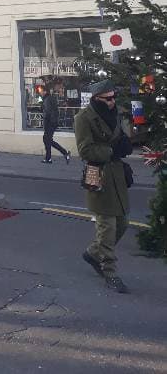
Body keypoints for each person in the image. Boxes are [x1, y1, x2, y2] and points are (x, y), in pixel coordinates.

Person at [74, 79, 133, 293]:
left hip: (117, 175)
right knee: (107, 227)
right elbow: (85, 150)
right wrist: (111, 151)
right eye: (108, 98)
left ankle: (92, 253)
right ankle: (110, 272)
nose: (112, 101)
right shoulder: (84, 117)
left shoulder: (117, 113)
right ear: (96, 98)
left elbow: (122, 136)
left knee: (123, 223)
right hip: (99, 175)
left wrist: (126, 143)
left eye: (114, 97)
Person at [39, 82, 70, 164]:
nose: (40, 92)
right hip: (52, 122)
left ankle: (62, 154)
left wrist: (46, 123)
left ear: (45, 91)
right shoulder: (48, 98)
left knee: (47, 139)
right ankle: (50, 157)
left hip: (50, 123)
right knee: (47, 140)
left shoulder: (47, 99)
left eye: (41, 91)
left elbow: (48, 112)